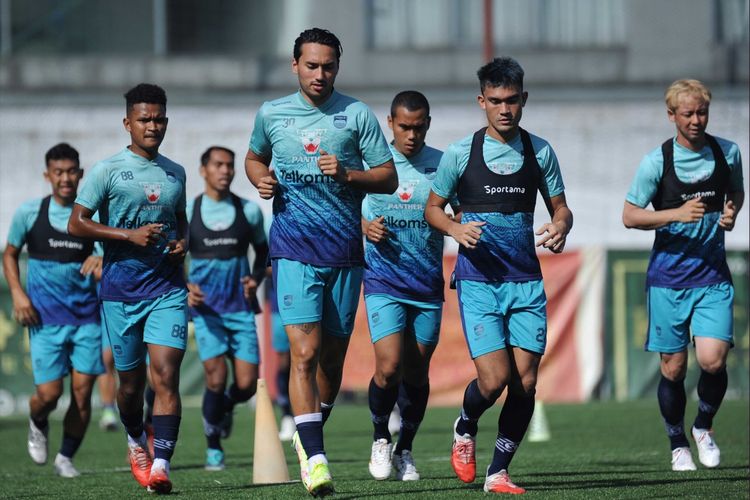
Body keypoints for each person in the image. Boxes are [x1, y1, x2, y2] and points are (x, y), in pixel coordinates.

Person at [245, 27, 397, 496]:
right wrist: (260, 178)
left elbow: (388, 177)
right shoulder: (272, 113)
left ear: (337, 67)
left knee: (331, 362)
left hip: (345, 254)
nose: (319, 74)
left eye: (328, 66)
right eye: (311, 65)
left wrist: (349, 174)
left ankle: (307, 430)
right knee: (304, 354)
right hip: (293, 251)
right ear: (295, 65)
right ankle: (315, 458)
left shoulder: (357, 115)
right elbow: (254, 158)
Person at [424, 57, 573, 494]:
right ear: (481, 101)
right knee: (494, 380)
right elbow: (433, 209)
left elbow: (561, 207)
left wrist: (561, 225)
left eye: (511, 100)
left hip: (525, 281)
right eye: (495, 101)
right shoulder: (460, 154)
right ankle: (465, 424)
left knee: (525, 382)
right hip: (479, 282)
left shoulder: (539, 151)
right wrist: (454, 229)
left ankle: (498, 472)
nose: (504, 109)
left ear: (523, 99)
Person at [68, 83, 188, 494]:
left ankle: (161, 465)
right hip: (121, 293)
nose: (152, 126)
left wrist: (183, 242)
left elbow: (182, 218)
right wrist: (127, 236)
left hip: (167, 288)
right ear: (127, 123)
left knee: (166, 375)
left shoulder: (176, 172)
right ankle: (136, 439)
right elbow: (76, 223)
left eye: (159, 119)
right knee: (131, 386)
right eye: (144, 119)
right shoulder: (107, 170)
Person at [622, 79, 744, 472]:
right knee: (673, 369)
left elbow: (736, 193)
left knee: (713, 360)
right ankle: (677, 443)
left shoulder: (728, 152)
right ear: (671, 115)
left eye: (701, 112)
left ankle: (703, 426)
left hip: (712, 277)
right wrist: (675, 213)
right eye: (687, 114)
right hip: (668, 280)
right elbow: (629, 215)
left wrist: (732, 212)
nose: (696, 120)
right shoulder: (656, 162)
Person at [362, 90, 456, 481]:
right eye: (404, 127)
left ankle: (406, 449)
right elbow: (346, 207)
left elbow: (459, 212)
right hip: (383, 279)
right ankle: (380, 437)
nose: (412, 135)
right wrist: (364, 227)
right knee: (388, 367)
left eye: (419, 127)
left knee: (416, 373)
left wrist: (457, 222)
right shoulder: (372, 163)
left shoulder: (444, 164)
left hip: (426, 284)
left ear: (428, 124)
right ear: (390, 123)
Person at [2, 143, 104, 478]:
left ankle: (66, 457)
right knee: (49, 395)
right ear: (47, 175)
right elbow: (10, 254)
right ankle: (38, 420)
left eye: (71, 171)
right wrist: (18, 294)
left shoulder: (91, 217)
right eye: (58, 172)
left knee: (83, 393)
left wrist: (101, 258)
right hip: (44, 319)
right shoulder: (29, 213)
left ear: (81, 174)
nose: (65, 178)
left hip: (87, 319)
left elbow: (108, 256)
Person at [186, 146, 268, 471]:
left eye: (230, 165)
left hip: (240, 309)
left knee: (246, 385)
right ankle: (213, 447)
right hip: (207, 312)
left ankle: (226, 407)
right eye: (218, 165)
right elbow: (171, 257)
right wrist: (185, 286)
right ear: (203, 170)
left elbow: (263, 253)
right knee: (216, 378)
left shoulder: (249, 211)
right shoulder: (188, 212)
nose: (225, 171)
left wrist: (256, 278)